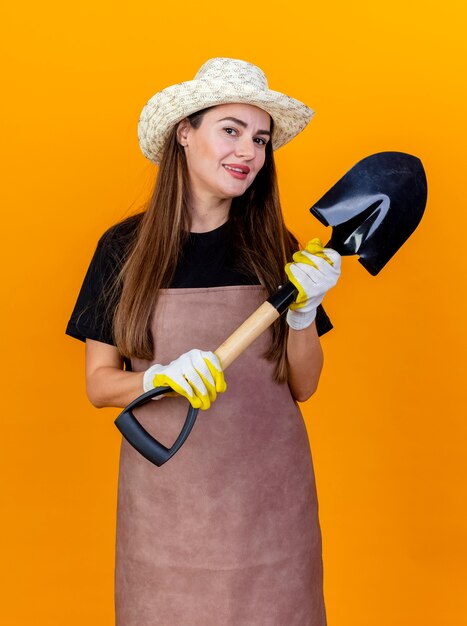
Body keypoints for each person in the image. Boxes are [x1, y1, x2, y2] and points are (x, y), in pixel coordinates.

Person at [66, 57, 341, 626]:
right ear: (184, 133)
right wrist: (158, 377)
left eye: (260, 138)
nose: (248, 151)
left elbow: (305, 385)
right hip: (167, 509)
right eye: (231, 130)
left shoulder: (276, 248)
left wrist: (303, 312)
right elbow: (98, 385)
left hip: (271, 506)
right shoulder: (124, 248)